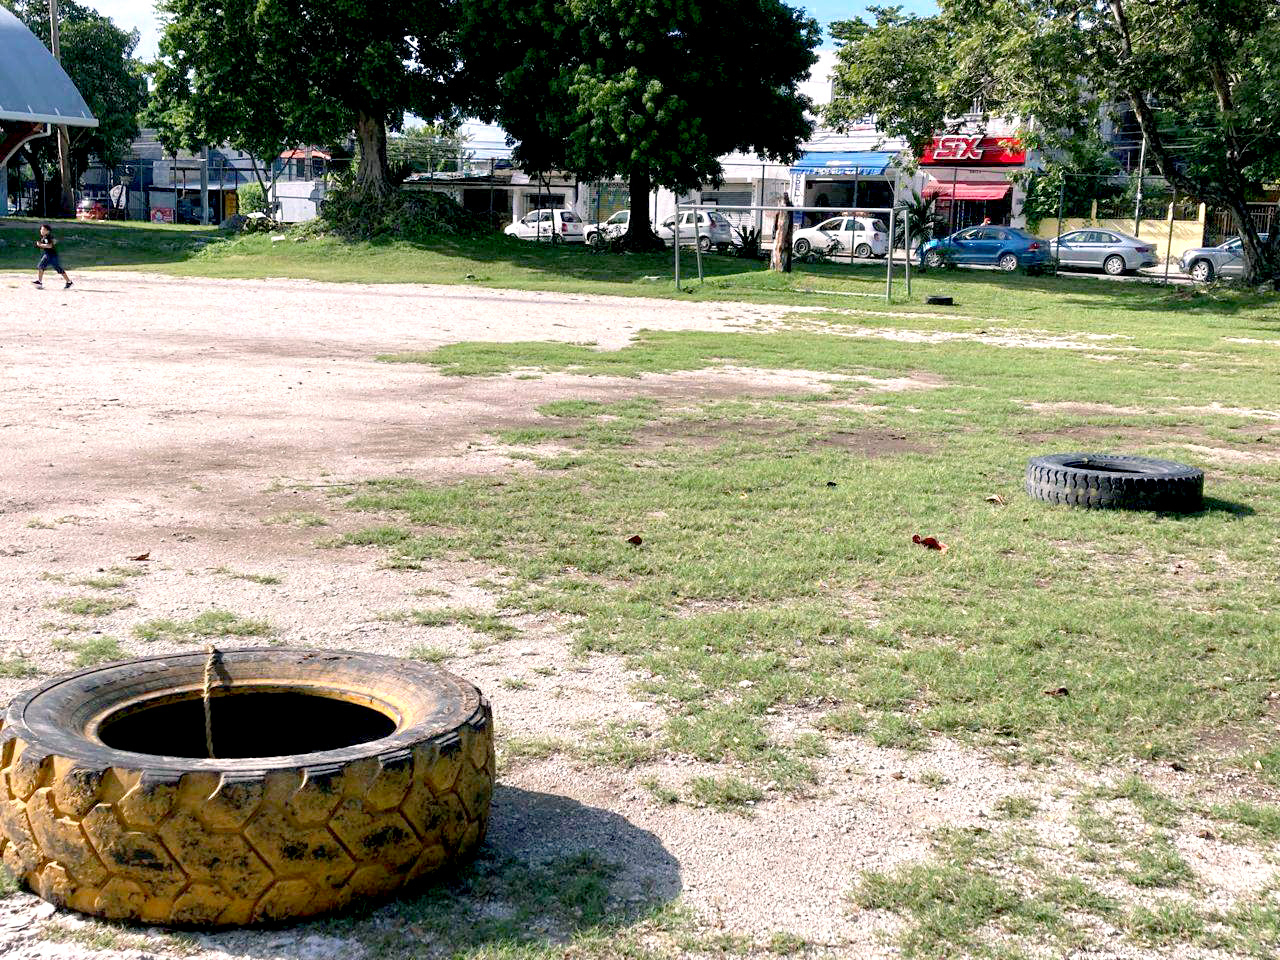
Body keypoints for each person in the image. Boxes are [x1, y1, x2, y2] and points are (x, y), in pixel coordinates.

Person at [33, 224, 72, 290]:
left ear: (47, 231)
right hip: (48, 255)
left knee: (57, 268)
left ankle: (69, 282)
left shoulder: (47, 237)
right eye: (41, 229)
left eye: (43, 230)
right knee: (41, 266)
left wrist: (40, 245)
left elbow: (50, 246)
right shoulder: (45, 237)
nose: (41, 231)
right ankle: (39, 282)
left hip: (51, 255)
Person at [771, 193, 794, 273]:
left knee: (786, 250)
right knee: (778, 249)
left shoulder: (790, 207)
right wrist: (774, 232)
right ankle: (777, 266)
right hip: (779, 231)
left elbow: (790, 222)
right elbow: (775, 221)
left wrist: (789, 233)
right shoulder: (780, 207)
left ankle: (786, 268)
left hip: (787, 231)